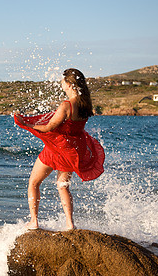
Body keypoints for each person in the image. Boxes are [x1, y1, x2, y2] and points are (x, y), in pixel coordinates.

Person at [13, 68, 105, 230]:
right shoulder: (85, 104)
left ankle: (34, 221)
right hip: (74, 150)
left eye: (63, 81)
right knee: (62, 185)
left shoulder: (67, 105)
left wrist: (26, 124)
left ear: (69, 84)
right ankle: (70, 224)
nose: (61, 84)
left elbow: (49, 127)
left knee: (33, 182)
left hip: (58, 149)